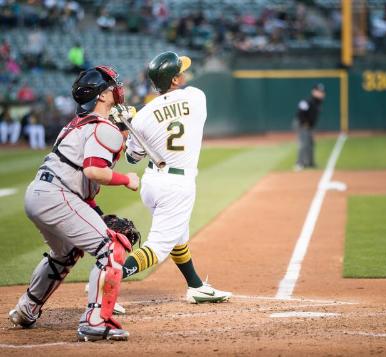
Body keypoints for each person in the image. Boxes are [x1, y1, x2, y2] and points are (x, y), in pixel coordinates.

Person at [8, 66, 140, 342]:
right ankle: (96, 320)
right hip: (57, 195)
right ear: (103, 96)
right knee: (112, 247)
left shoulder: (75, 124)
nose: (117, 89)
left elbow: (81, 182)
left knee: (66, 253)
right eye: (111, 86)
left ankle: (26, 309)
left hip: (39, 194)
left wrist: (96, 213)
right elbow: (94, 171)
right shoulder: (103, 127)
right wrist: (127, 179)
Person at [122, 51, 231, 303]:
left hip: (152, 182)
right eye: (179, 71)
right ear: (173, 80)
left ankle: (196, 286)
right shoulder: (196, 97)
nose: (183, 73)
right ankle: (109, 273)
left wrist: (131, 121)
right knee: (158, 246)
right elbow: (175, 108)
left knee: (178, 236)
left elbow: (132, 159)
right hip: (176, 184)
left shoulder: (143, 116)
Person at [295, 83, 326, 171]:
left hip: (310, 126)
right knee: (304, 144)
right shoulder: (307, 101)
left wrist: (311, 127)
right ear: (313, 91)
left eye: (322, 92)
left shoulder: (318, 103)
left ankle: (310, 163)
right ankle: (299, 163)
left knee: (311, 144)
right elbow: (300, 114)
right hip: (302, 125)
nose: (321, 93)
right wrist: (304, 124)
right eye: (319, 91)